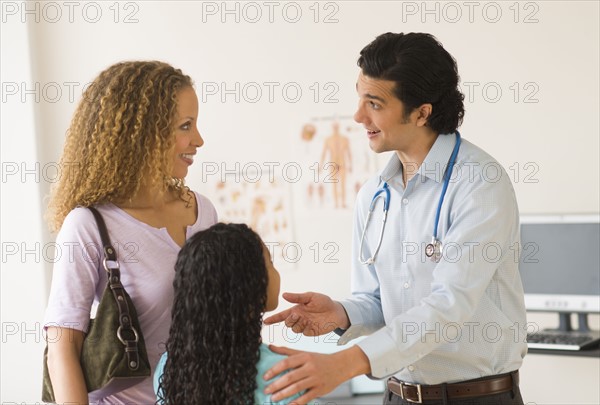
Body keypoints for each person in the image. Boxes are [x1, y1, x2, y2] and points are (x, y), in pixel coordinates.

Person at [263, 32, 527, 405]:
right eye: (359, 98)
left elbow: (448, 306)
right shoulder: (374, 195)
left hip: (475, 397)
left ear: (422, 112)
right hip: (397, 395)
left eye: (374, 103)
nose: (357, 116)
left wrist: (343, 365)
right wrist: (340, 313)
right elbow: (378, 300)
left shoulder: (479, 183)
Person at [43, 61, 218, 404]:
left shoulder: (202, 211)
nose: (198, 139)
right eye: (185, 126)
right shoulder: (88, 226)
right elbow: (61, 350)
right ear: (141, 135)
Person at [153, 222, 306, 404]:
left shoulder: (170, 367)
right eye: (270, 263)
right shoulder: (281, 375)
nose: (276, 272)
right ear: (247, 285)